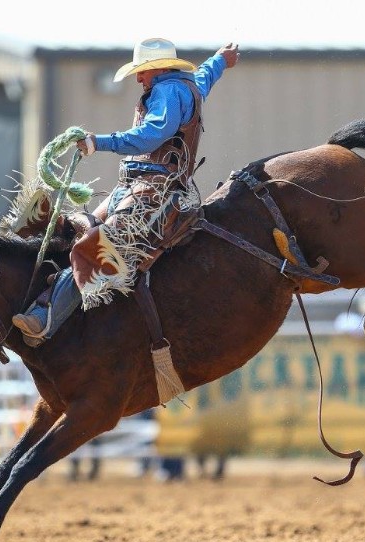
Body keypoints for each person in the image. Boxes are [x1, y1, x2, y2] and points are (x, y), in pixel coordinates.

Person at [13, 38, 240, 344]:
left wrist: (100, 142)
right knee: (84, 229)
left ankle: (43, 318)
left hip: (155, 193)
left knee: (98, 247)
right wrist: (220, 60)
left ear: (159, 68)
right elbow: (206, 75)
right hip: (137, 188)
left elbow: (150, 137)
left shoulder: (169, 92)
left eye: (143, 71)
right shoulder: (185, 86)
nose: (139, 78)